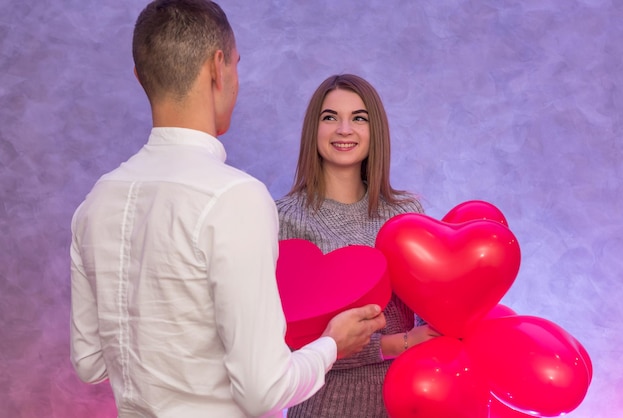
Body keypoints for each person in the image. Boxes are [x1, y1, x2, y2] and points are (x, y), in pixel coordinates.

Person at [69, 3, 386, 417]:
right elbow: (264, 392)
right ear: (219, 68)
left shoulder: (95, 203)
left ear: (141, 77)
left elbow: (90, 363)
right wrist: (331, 344)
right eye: (237, 65)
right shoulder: (236, 197)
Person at [276, 74, 441, 417]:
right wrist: (395, 344)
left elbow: (434, 319)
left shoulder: (406, 214)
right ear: (313, 129)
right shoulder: (282, 219)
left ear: (374, 130)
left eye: (359, 118)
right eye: (330, 117)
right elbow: (284, 346)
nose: (344, 129)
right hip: (321, 407)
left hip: (404, 402)